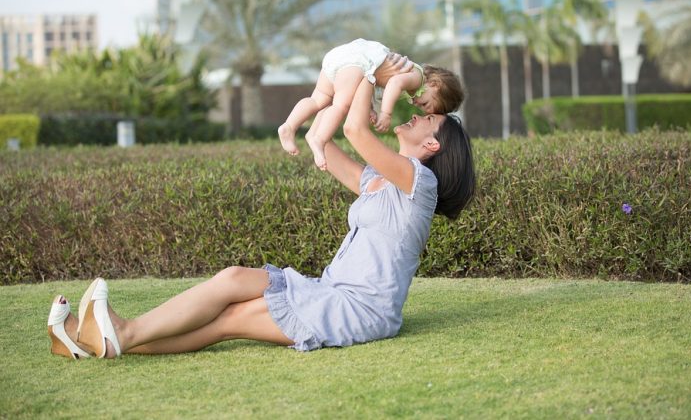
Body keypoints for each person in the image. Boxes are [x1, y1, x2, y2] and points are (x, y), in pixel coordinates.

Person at [45, 55, 476, 358]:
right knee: (233, 280)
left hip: (359, 310)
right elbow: (327, 144)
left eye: (429, 119)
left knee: (232, 319)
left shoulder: (421, 182)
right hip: (327, 289)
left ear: (432, 144)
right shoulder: (381, 181)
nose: (418, 114)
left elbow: (356, 130)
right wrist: (333, 95)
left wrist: (368, 64)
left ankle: (117, 335)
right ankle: (92, 339)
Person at [278, 38, 464, 170]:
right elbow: (393, 83)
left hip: (343, 57)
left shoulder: (414, 80)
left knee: (319, 99)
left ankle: (289, 126)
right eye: (426, 105)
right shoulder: (418, 78)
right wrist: (386, 114)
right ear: (435, 85)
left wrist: (370, 108)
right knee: (341, 105)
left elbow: (373, 82)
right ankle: (319, 139)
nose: (418, 106)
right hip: (358, 61)